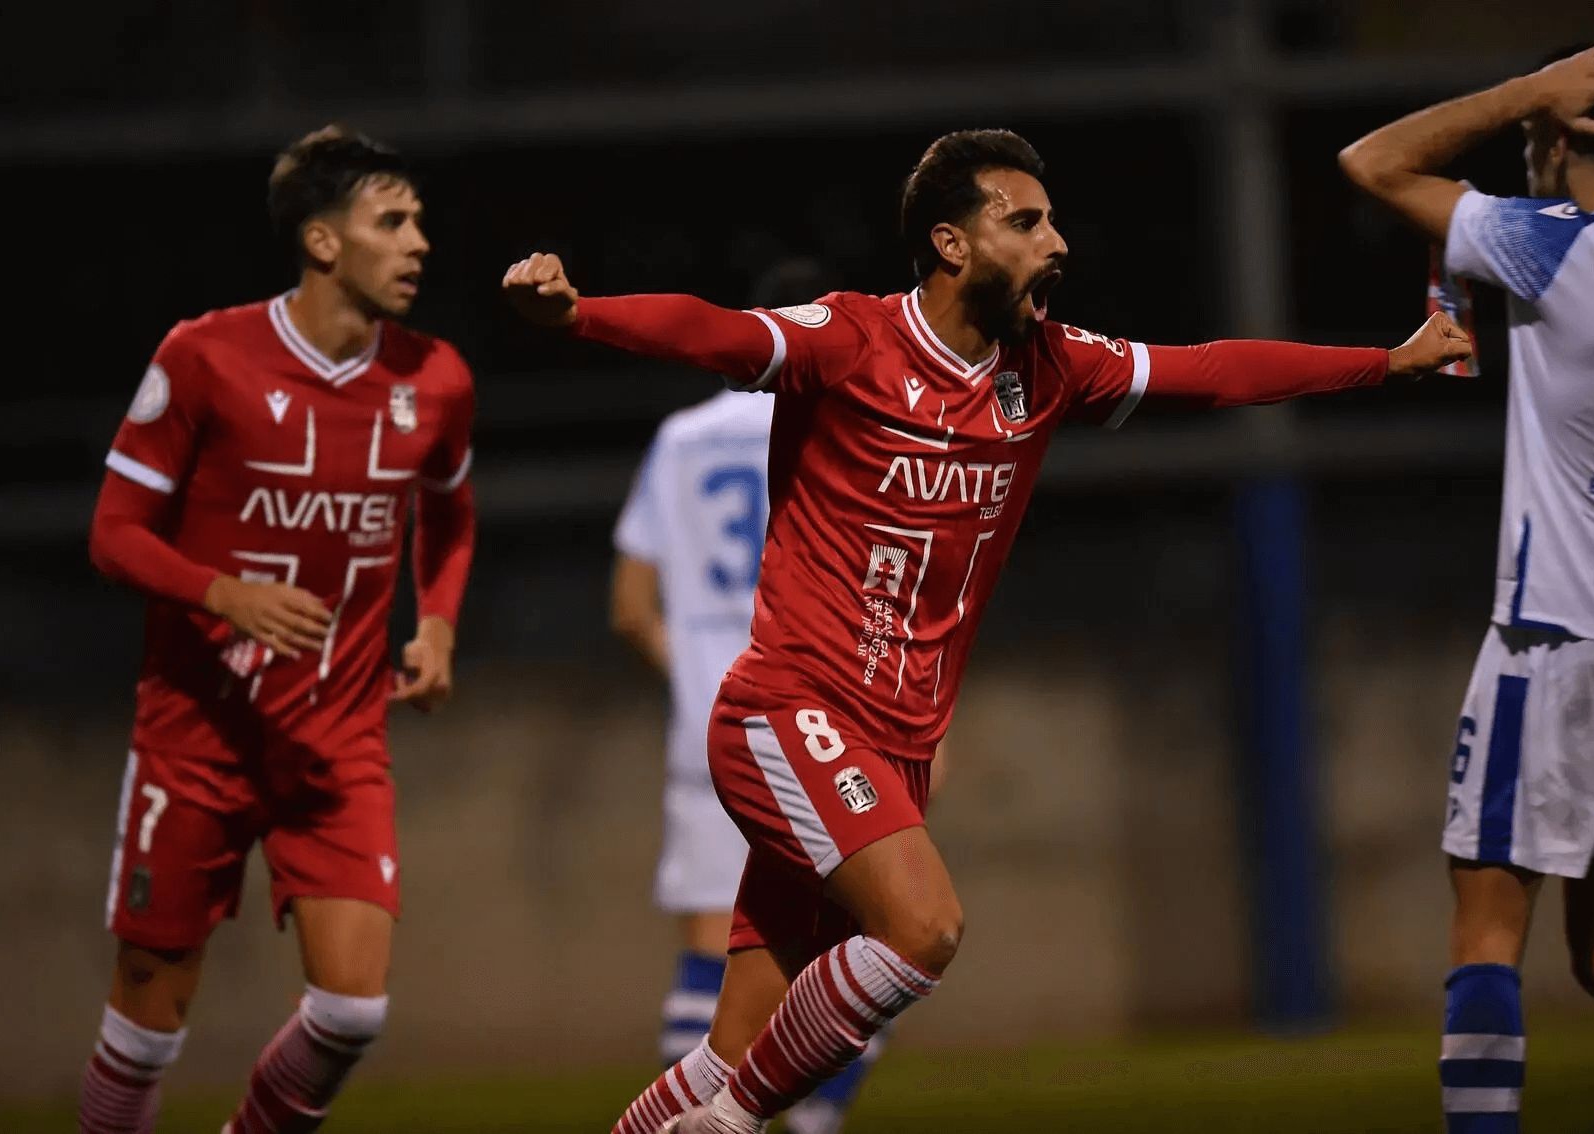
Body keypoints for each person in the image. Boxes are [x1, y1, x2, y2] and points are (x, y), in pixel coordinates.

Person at [505, 127, 1469, 1134]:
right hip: (789, 712)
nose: (1056, 243)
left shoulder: (1046, 367)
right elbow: (713, 332)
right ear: (951, 243)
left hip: (895, 743)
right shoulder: (853, 341)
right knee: (923, 931)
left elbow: (1214, 370)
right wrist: (577, 314)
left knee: (729, 1048)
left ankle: (712, 1106)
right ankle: (731, 1126)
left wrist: (1386, 361)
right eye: (1026, 222)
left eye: (1052, 222)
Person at [78, 124, 476, 1134]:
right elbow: (113, 534)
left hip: (337, 738)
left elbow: (450, 513)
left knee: (351, 1011)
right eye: (393, 221)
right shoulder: (204, 356)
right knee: (146, 1020)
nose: (419, 241)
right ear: (322, 241)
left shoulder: (436, 379)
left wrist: (435, 624)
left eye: (419, 220)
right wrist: (222, 593)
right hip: (196, 737)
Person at [1340, 42, 1594, 1134]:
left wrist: (1524, 91)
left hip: (1555, 638)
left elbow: (1373, 161)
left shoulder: (1543, 241)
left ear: (1552, 140)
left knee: (1486, 934)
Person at [612, 260, 888, 1133]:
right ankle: (811, 1120)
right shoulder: (851, 419)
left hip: (714, 727)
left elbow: (630, 607)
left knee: (712, 957)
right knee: (871, 940)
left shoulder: (682, 438)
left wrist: (700, 671)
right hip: (827, 723)